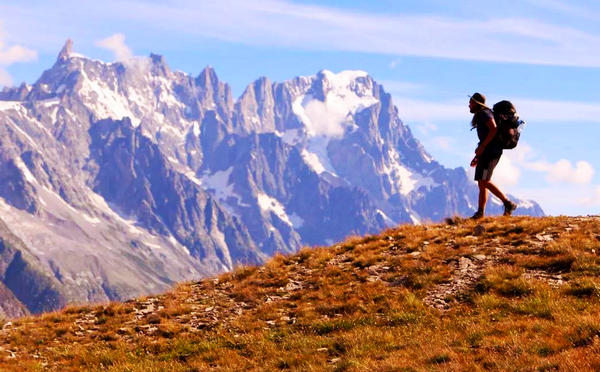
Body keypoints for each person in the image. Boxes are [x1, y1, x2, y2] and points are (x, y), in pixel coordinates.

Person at [468, 92, 517, 219]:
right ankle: (480, 213)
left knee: (484, 181)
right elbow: (485, 136)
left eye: (471, 102)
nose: (469, 105)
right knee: (481, 182)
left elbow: (493, 129)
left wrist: (483, 147)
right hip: (486, 152)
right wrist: (477, 156)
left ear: (476, 103)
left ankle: (508, 203)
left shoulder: (485, 114)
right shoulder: (482, 114)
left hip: (491, 152)